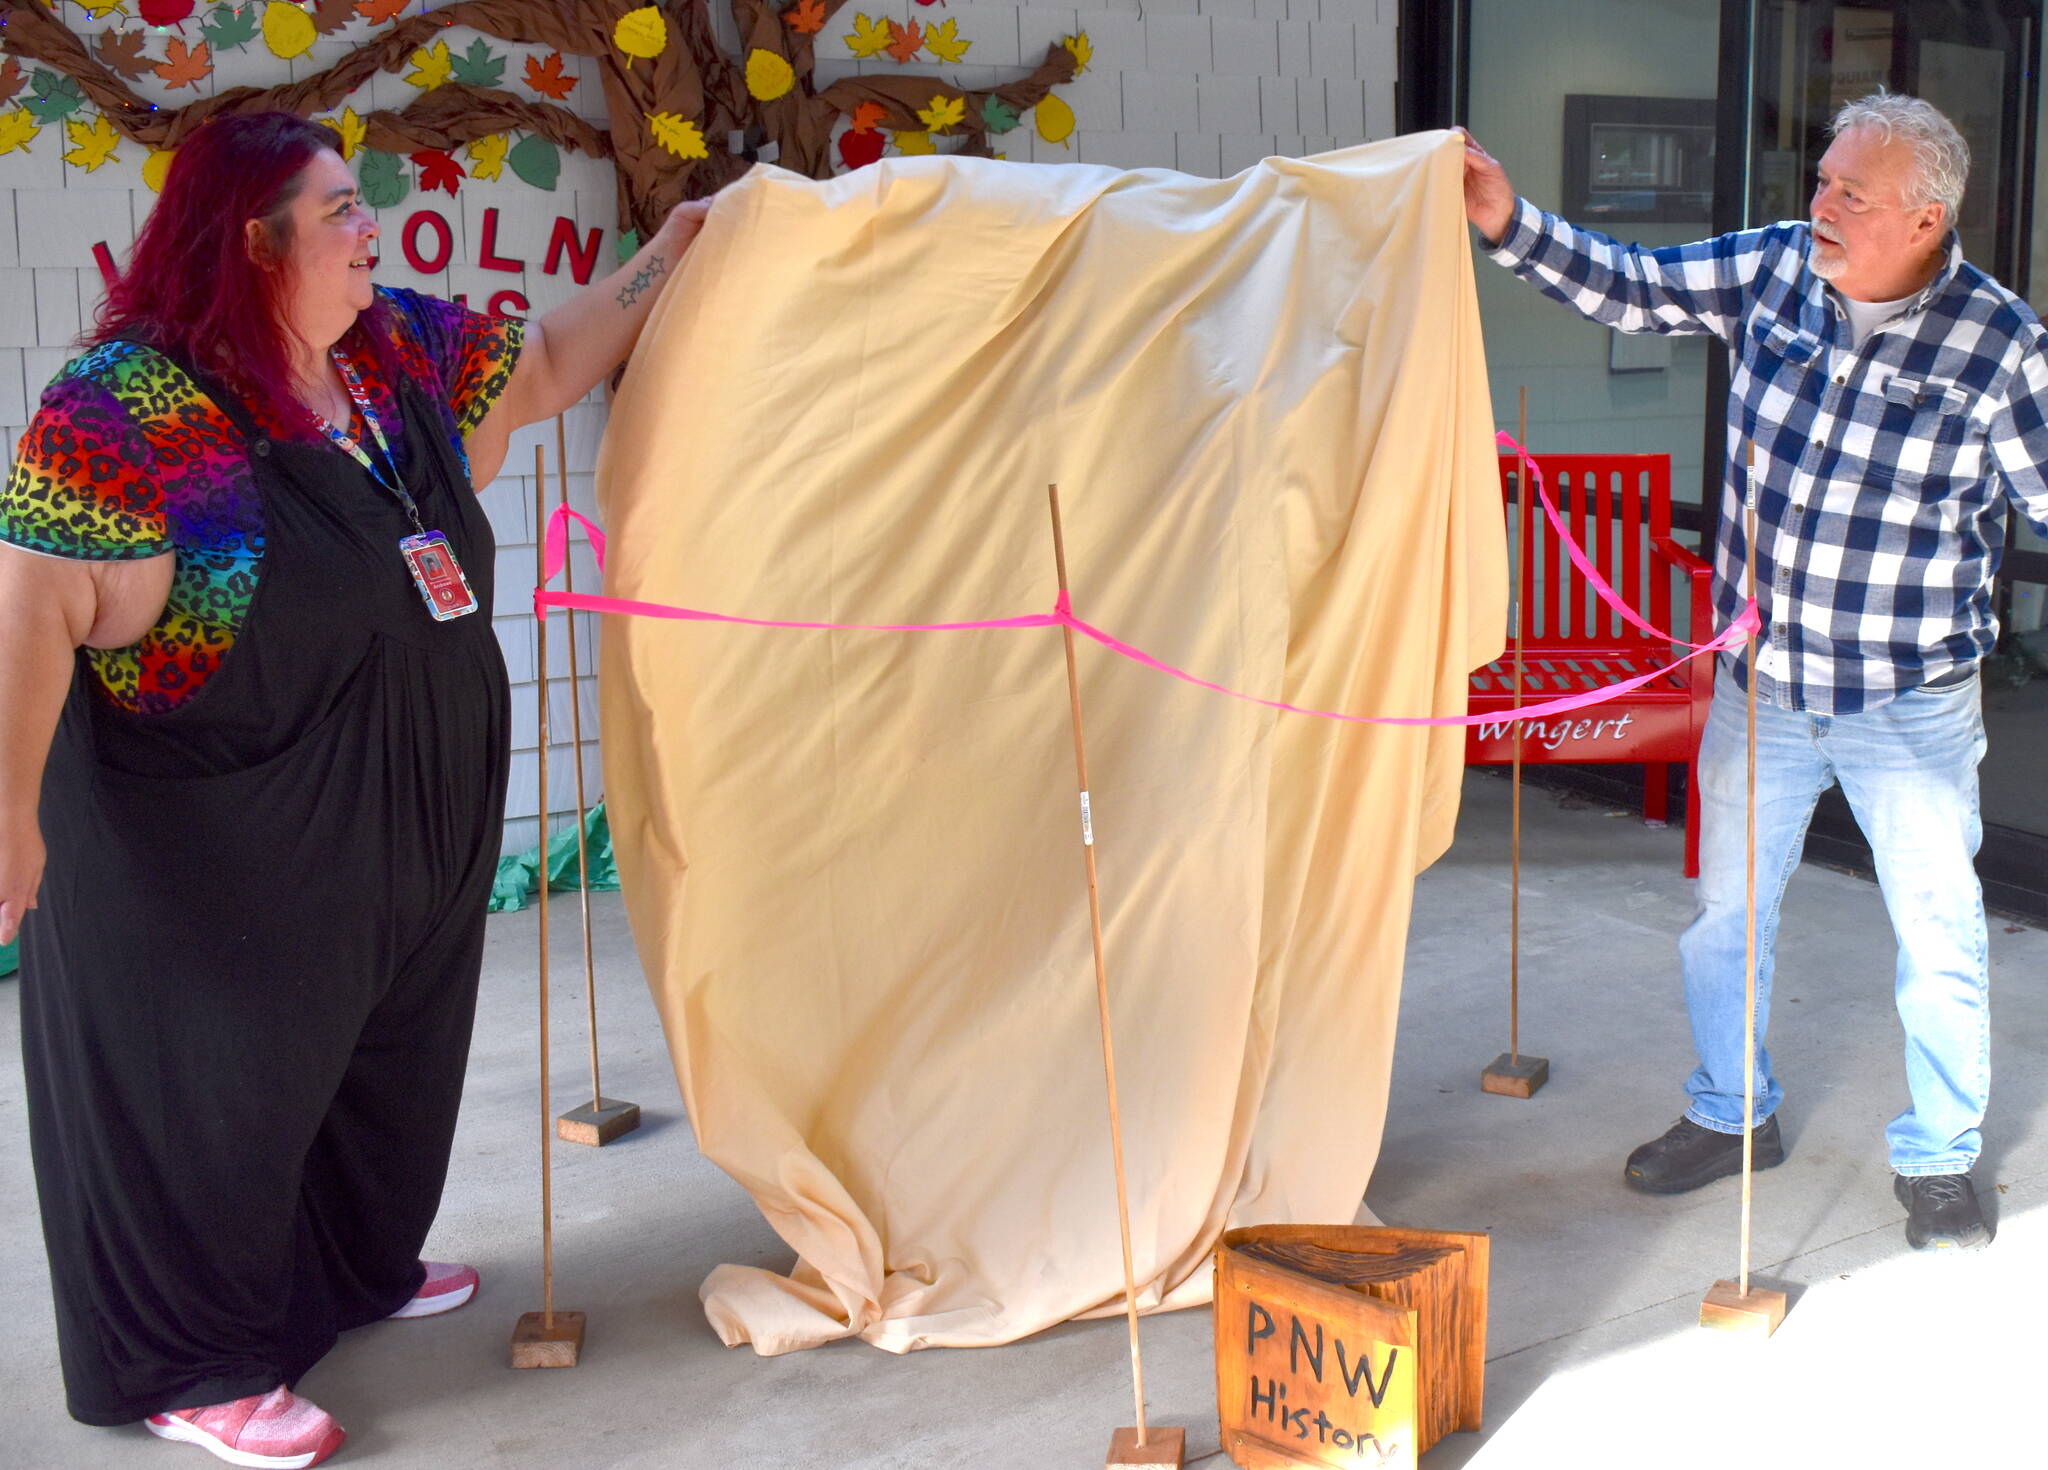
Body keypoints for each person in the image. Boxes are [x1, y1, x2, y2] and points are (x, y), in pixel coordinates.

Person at [0, 112, 709, 1466]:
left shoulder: (388, 356)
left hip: (401, 836)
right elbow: (28, 602)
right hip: (211, 850)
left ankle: (360, 1267)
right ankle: (194, 1363)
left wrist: (670, 250)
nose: (365, 224)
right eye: (337, 209)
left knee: (382, 1063)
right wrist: (6, 810)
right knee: (218, 1092)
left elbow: (553, 358)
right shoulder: (125, 406)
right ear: (250, 242)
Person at [1461, 93, 2048, 1253]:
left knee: (1936, 938)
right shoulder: (1774, 269)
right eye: (1822, 180)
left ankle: (1937, 1157)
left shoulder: (2000, 345)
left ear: (1925, 218)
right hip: (1760, 687)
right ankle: (1731, 1113)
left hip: (1907, 705)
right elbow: (1628, 285)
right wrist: (1506, 220)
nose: (1817, 206)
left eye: (1849, 193)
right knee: (1724, 917)